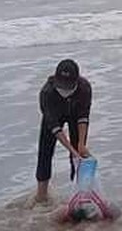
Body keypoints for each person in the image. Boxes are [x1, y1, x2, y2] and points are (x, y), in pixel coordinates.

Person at [32, 59, 92, 204]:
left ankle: (78, 195)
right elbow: (55, 129)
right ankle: (41, 197)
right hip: (54, 117)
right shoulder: (47, 93)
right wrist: (71, 149)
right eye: (61, 86)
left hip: (75, 114)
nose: (64, 89)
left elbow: (83, 118)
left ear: (76, 81)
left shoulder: (84, 88)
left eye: (68, 86)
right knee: (45, 153)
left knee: (79, 156)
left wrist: (81, 145)